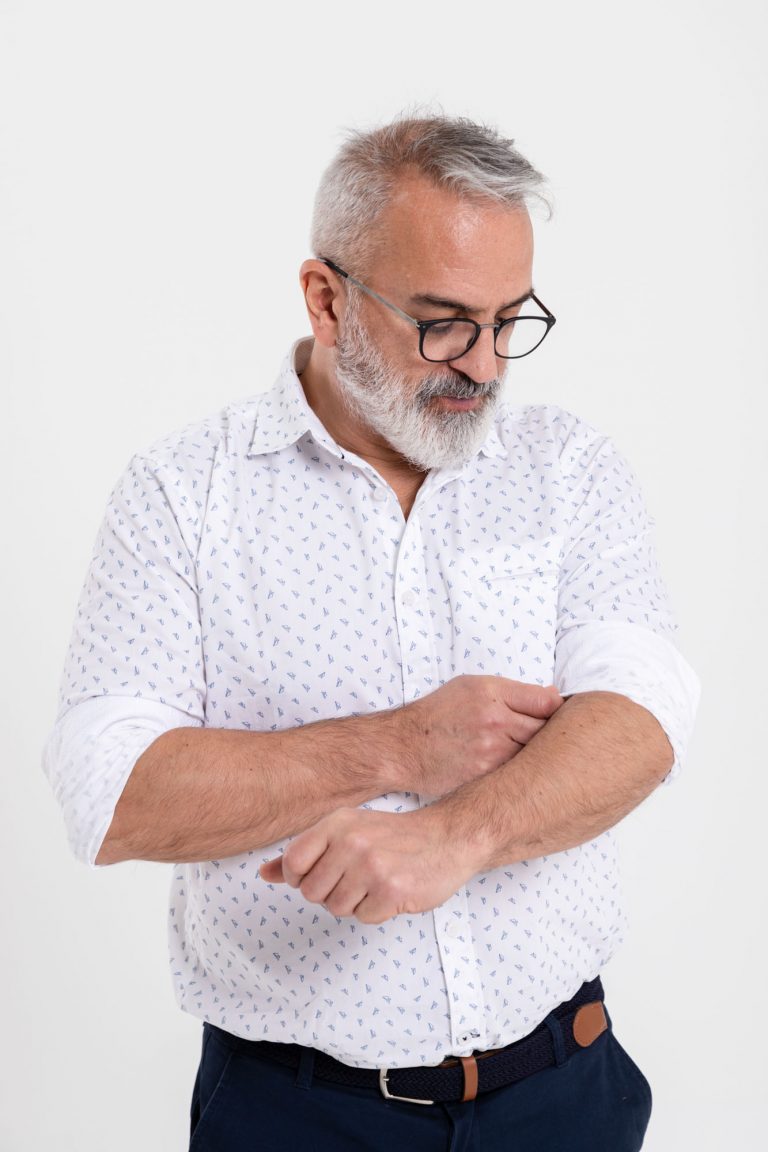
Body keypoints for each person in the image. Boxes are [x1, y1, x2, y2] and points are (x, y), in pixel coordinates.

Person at [44, 114, 699, 1151]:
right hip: (296, 1114)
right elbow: (110, 792)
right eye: (443, 323)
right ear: (326, 297)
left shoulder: (566, 468)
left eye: (510, 319)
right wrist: (393, 748)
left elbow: (643, 716)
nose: (484, 364)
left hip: (567, 1094)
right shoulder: (183, 495)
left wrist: (453, 836)